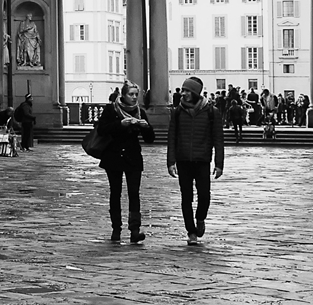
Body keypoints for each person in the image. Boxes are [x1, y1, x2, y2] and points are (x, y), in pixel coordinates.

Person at [91, 81, 154, 243]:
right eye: (130, 94)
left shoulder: (140, 112)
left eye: (136, 95)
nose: (134, 98)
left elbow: (150, 139)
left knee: (134, 193)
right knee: (115, 193)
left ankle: (135, 230)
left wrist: (146, 127)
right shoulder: (111, 110)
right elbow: (102, 129)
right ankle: (116, 229)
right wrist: (120, 124)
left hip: (133, 157)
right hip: (113, 156)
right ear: (123, 95)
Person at [166, 76, 224, 247]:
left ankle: (200, 218)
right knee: (186, 198)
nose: (183, 94)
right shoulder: (177, 112)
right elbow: (172, 138)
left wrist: (219, 163)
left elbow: (218, 140)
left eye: (188, 91)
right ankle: (191, 232)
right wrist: (171, 161)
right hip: (183, 160)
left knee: (204, 195)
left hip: (202, 160)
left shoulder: (212, 112)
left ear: (196, 93)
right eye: (183, 90)